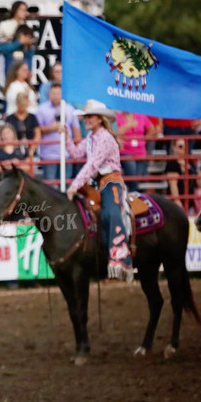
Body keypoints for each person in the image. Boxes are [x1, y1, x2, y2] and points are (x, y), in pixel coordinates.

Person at [64, 100, 133, 282]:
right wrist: (66, 137)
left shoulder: (104, 138)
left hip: (111, 182)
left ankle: (120, 261)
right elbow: (77, 154)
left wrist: (74, 186)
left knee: (111, 213)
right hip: (96, 182)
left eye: (90, 116)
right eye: (85, 116)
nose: (86, 120)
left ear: (100, 119)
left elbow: (92, 163)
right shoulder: (91, 138)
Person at [35, 82, 79, 184]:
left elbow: (76, 129)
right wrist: (51, 128)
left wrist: (77, 151)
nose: (55, 96)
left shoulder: (70, 109)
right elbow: (37, 129)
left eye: (58, 93)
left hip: (67, 154)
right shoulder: (41, 109)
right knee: (50, 187)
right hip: (48, 155)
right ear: (49, 94)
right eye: (53, 93)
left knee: (67, 184)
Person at [117, 110, 156, 191]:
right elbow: (116, 133)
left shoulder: (141, 116)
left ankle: (132, 193)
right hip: (125, 151)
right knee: (130, 166)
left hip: (140, 152)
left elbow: (152, 129)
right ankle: (134, 193)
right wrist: (127, 126)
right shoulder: (117, 117)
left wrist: (143, 140)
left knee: (137, 175)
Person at [165, 138, 196, 212]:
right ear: (174, 147)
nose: (183, 149)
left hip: (190, 202)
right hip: (177, 205)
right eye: (180, 146)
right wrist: (177, 202)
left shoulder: (190, 162)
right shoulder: (172, 163)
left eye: (185, 147)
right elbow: (173, 185)